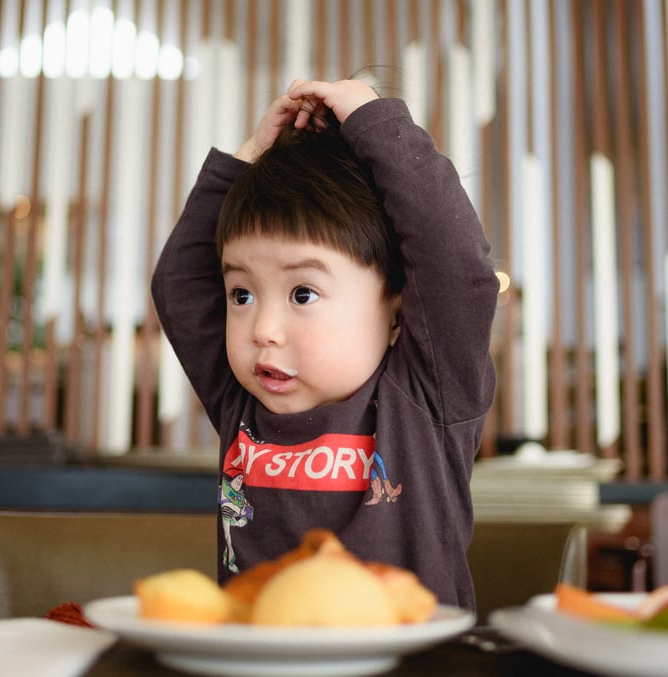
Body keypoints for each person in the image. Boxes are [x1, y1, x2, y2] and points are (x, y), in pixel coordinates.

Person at [151, 78, 498, 610]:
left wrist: (375, 120)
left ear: (396, 300)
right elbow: (179, 285)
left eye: (303, 293)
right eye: (241, 293)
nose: (263, 328)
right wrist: (243, 165)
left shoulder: (427, 398)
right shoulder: (239, 400)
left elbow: (458, 268)